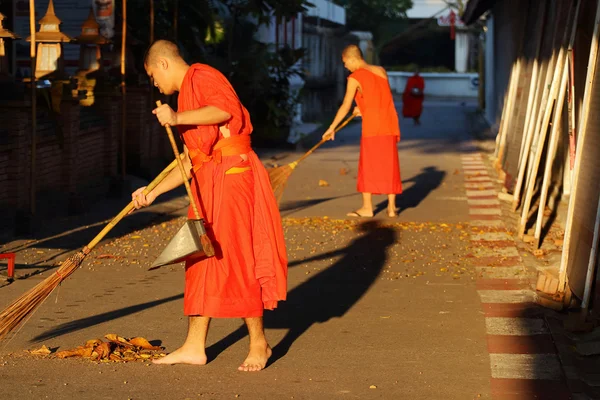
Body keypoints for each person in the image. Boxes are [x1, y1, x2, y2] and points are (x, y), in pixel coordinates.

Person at [131, 40, 287, 372]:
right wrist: (153, 191)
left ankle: (260, 342)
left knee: (238, 257)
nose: (155, 85)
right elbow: (191, 159)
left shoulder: (202, 77)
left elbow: (224, 110)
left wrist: (177, 116)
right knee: (199, 256)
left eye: (152, 77)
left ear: (163, 64)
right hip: (208, 182)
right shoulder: (188, 92)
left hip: (232, 177)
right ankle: (193, 346)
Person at [323, 44, 402, 218]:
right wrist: (362, 108)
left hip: (373, 127)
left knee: (369, 167)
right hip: (388, 124)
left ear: (352, 58)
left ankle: (367, 208)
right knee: (389, 165)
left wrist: (332, 127)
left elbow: (345, 105)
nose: (345, 66)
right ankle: (391, 208)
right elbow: (379, 97)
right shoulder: (380, 71)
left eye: (345, 62)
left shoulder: (355, 77)